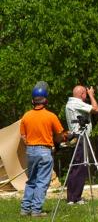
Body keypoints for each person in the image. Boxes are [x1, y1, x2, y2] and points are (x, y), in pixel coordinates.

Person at [20, 82, 65, 217]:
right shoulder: (51, 116)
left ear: (33, 100)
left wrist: (30, 144)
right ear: (46, 100)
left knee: (31, 181)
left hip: (30, 151)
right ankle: (36, 211)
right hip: (44, 151)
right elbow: (60, 136)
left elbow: (23, 136)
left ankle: (25, 209)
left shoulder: (26, 116)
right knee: (42, 182)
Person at [65, 85, 98, 205]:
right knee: (81, 167)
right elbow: (96, 109)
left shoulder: (70, 103)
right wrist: (92, 95)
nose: (86, 96)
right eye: (85, 94)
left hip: (76, 137)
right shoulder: (76, 103)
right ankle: (75, 197)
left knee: (76, 167)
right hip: (81, 137)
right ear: (82, 94)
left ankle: (72, 197)